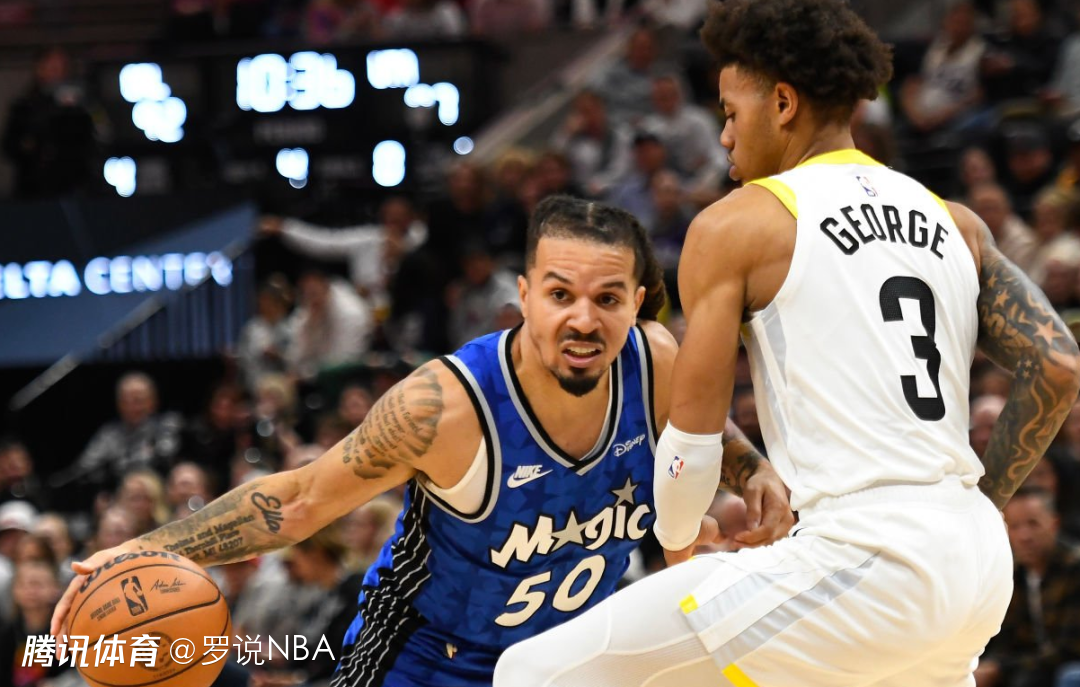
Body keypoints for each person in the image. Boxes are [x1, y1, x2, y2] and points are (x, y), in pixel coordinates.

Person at [493, 1, 1080, 685]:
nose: (724, 136)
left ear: (781, 103)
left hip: (864, 559)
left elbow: (692, 440)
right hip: (975, 563)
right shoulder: (957, 222)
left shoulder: (740, 225)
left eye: (729, 112)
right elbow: (1057, 364)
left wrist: (679, 541)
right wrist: (980, 502)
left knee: (531, 671)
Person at [51, 196, 791, 686]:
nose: (583, 320)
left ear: (637, 302)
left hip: (563, 658)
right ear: (523, 295)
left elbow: (702, 428)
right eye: (560, 294)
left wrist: (750, 469)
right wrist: (149, 548)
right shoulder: (445, 406)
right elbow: (300, 500)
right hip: (425, 658)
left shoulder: (655, 361)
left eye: (607, 299)